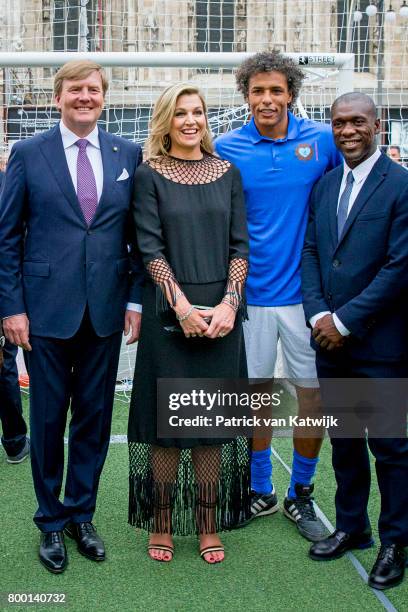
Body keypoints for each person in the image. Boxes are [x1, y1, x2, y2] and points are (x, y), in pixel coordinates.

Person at [0, 60, 144, 573]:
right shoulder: (27, 152)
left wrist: (134, 300)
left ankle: (83, 514)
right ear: (58, 97)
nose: (85, 97)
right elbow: (7, 237)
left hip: (104, 313)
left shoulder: (127, 153)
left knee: (95, 420)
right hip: (43, 315)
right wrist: (11, 307)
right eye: (75, 89)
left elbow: (136, 238)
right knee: (45, 419)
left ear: (104, 97)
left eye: (94, 90)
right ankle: (50, 522)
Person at [215, 50, 341, 541]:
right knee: (255, 397)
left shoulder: (323, 141)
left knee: (313, 396)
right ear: (246, 96)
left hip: (308, 300)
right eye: (257, 91)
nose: (267, 100)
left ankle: (302, 493)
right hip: (246, 297)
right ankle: (262, 488)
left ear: (291, 93)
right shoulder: (226, 146)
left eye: (276, 90)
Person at [128, 83, 251, 564]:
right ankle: (161, 521)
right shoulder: (148, 174)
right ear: (166, 120)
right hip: (168, 314)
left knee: (211, 425)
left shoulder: (228, 172)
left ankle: (206, 521)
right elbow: (150, 248)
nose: (190, 120)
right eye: (180, 113)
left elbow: (239, 245)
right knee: (167, 424)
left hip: (222, 316)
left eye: (197, 112)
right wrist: (180, 307)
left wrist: (227, 304)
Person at [302, 92, 408, 591]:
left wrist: (343, 321)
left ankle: (395, 541)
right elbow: (311, 253)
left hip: (381, 346)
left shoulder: (401, 186)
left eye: (358, 122)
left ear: (377, 125)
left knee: (389, 447)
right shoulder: (323, 187)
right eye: (339, 122)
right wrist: (319, 314)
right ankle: (352, 527)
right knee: (344, 444)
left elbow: (399, 268)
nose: (348, 130)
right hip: (330, 344)